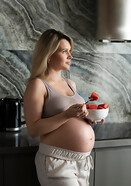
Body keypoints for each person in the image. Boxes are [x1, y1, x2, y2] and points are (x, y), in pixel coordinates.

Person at [23, 29, 98, 186]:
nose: (70, 56)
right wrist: (67, 115)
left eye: (70, 51)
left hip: (82, 162)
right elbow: (33, 129)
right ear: (49, 55)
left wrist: (86, 119)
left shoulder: (71, 84)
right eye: (65, 51)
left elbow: (71, 118)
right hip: (57, 162)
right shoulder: (37, 85)